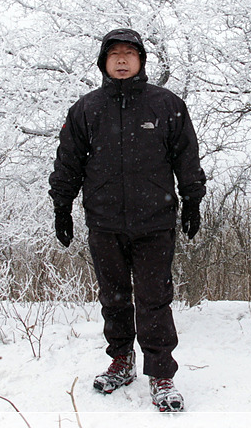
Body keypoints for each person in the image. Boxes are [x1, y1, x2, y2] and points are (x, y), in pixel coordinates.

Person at [48, 28, 206, 413]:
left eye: (129, 54)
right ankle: (121, 360)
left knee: (154, 299)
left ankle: (161, 374)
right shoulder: (86, 109)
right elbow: (68, 161)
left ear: (140, 61)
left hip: (155, 222)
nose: (121, 60)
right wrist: (62, 206)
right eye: (114, 54)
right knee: (114, 298)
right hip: (104, 223)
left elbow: (186, 156)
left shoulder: (166, 105)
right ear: (103, 62)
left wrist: (192, 201)